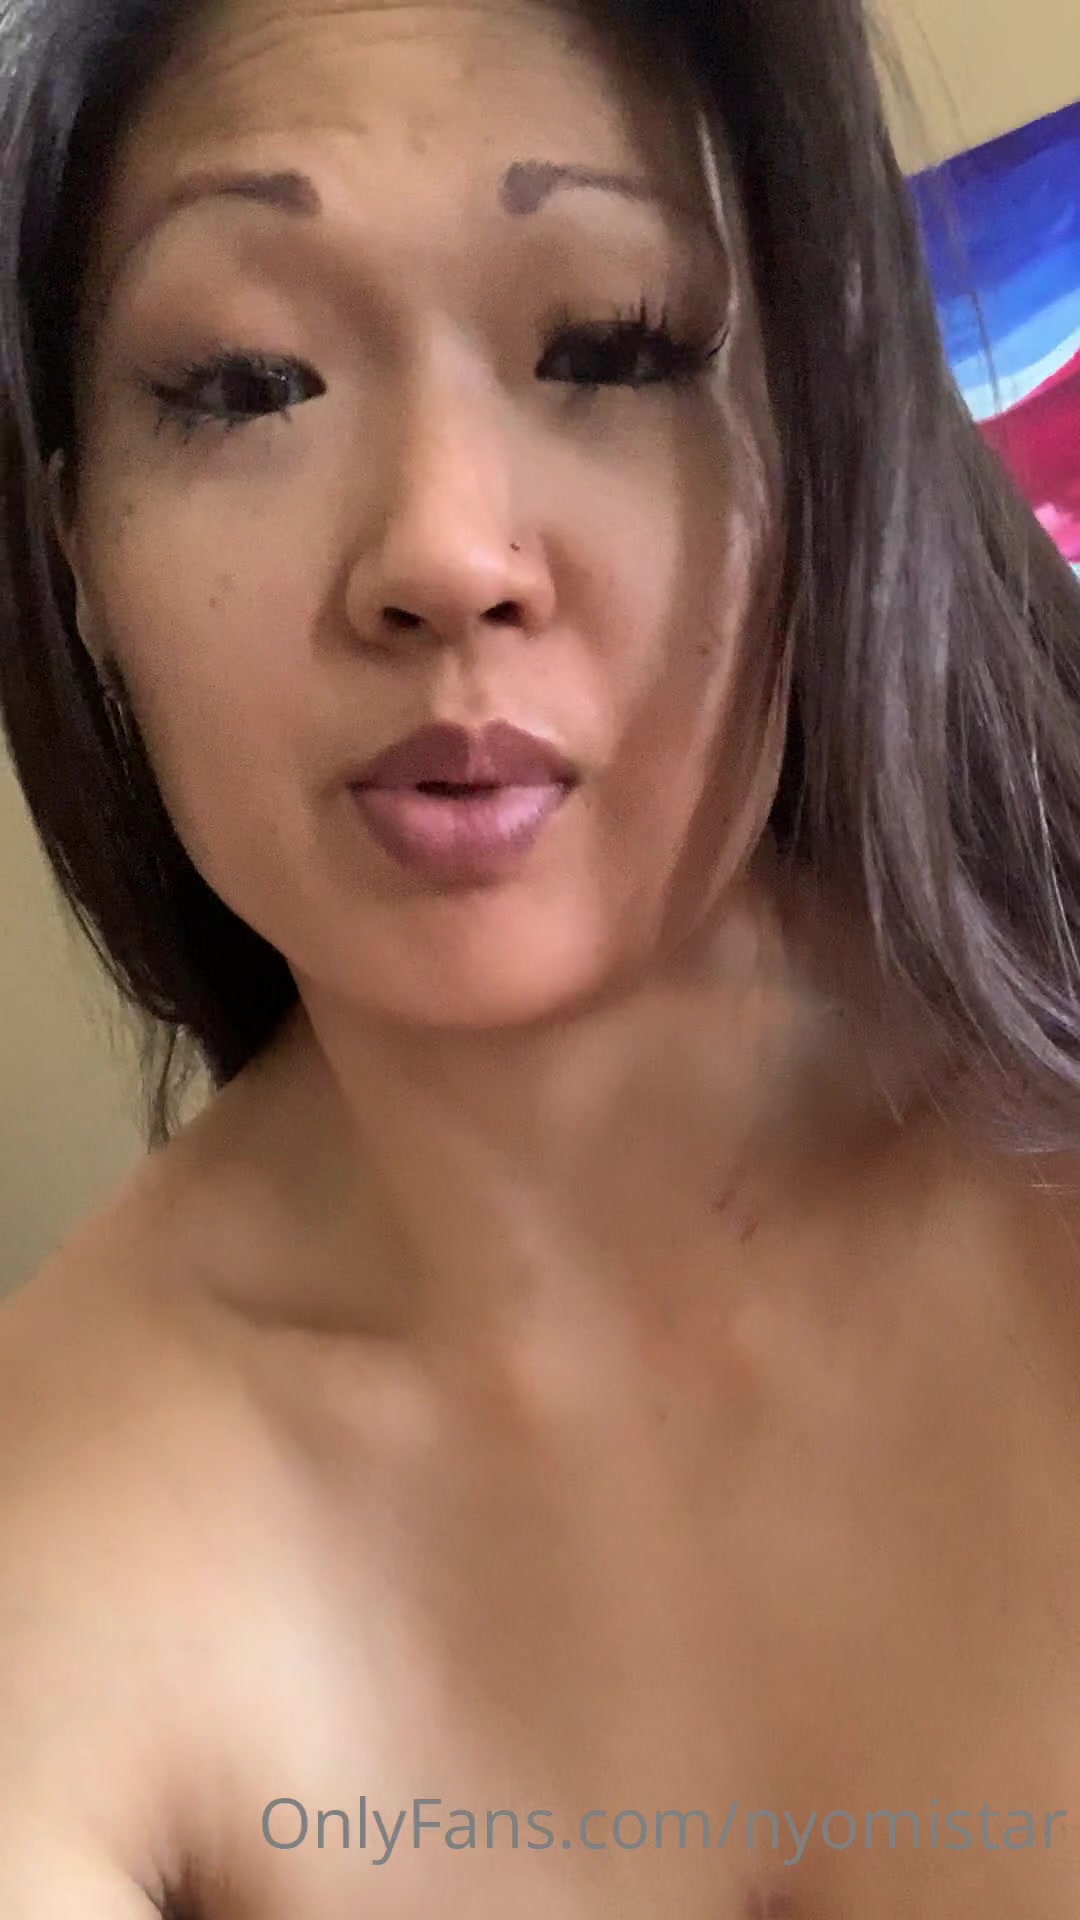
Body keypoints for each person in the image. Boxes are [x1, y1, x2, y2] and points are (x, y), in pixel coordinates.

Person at [2, 0, 1080, 1911]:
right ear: (75, 535)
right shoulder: (57, 1532)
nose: (443, 551)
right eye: (247, 383)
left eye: (612, 346)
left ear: (827, 451)